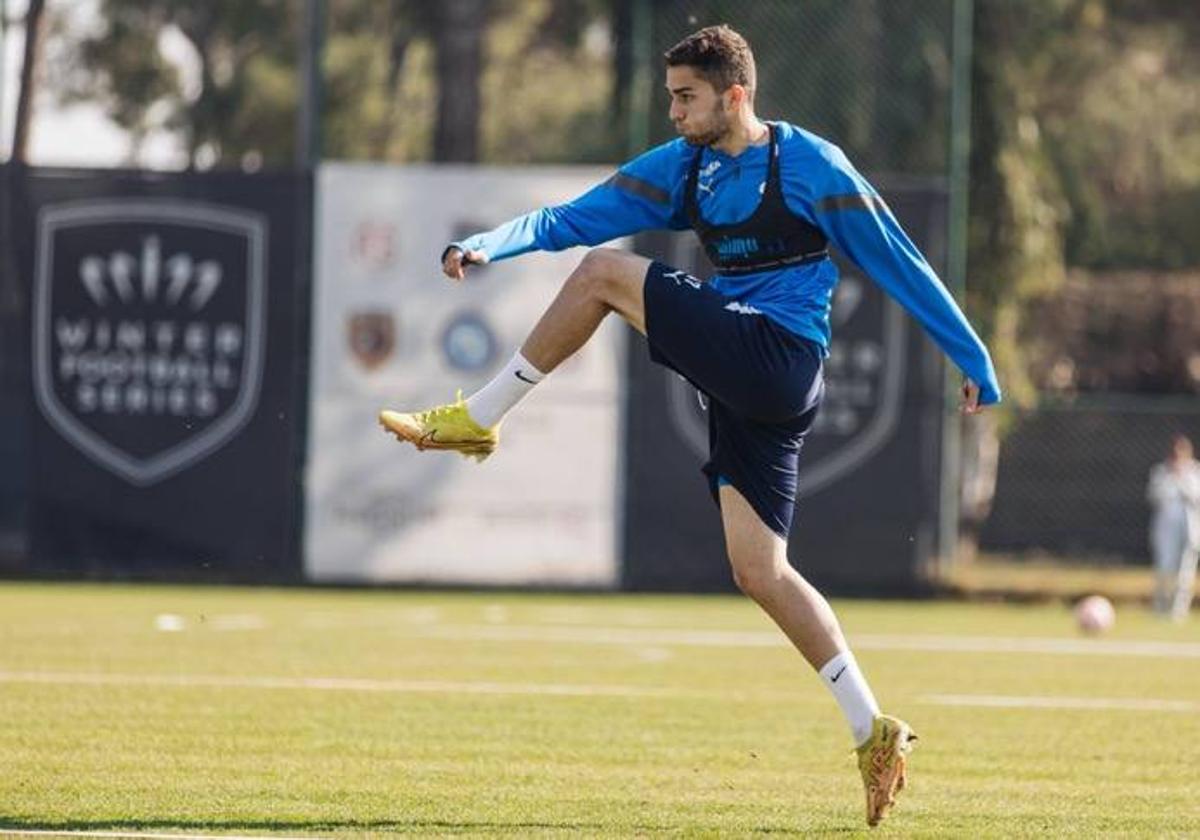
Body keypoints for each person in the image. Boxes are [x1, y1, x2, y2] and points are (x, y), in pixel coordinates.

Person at [380, 24, 1001, 827]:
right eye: (670, 95)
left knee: (605, 275)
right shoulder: (686, 167)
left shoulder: (811, 165)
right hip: (753, 389)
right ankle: (872, 727)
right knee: (760, 571)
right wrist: (487, 245)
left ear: (734, 95)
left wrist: (974, 358)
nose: (672, 112)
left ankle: (478, 417)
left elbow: (899, 262)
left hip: (779, 357)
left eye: (686, 97)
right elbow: (575, 216)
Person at [1146, 434, 1200, 621]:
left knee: (1185, 571)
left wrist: (1182, 479)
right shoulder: (1161, 472)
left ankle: (1179, 611)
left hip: (1189, 528)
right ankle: (1161, 607)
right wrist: (1172, 476)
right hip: (1165, 528)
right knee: (1164, 568)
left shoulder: (1195, 472)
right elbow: (1154, 496)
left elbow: (1195, 497)